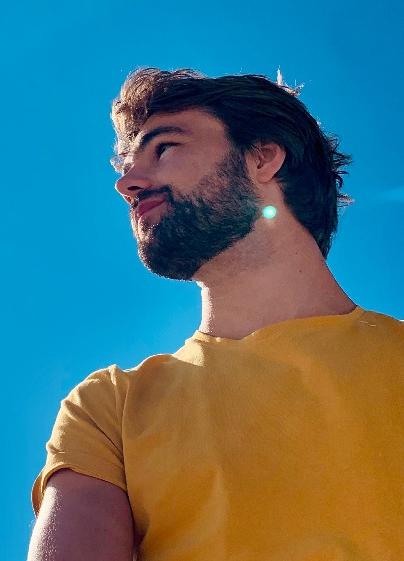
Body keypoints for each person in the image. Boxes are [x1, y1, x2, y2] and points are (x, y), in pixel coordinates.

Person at [27, 68, 404, 561]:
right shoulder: (108, 408)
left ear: (262, 157)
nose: (127, 183)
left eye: (164, 148)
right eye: (128, 164)